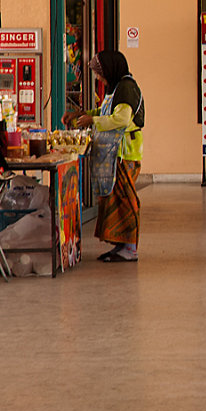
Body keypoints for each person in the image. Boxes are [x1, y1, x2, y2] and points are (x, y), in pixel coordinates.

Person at [63, 51, 145, 262]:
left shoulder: (127, 88)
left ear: (110, 70)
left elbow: (121, 119)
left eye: (100, 74)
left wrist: (92, 121)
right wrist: (82, 114)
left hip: (124, 153)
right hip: (114, 153)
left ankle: (131, 247)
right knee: (113, 200)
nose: (99, 78)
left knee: (125, 200)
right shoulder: (117, 87)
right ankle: (121, 244)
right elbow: (105, 110)